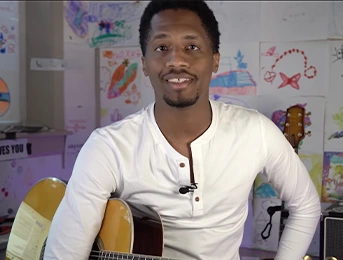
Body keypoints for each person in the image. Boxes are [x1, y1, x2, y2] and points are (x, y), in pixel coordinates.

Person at [43, 0, 321, 259]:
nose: (176, 61)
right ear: (144, 63)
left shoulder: (256, 131)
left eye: (191, 47)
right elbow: (64, 252)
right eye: (162, 48)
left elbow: (305, 206)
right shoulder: (107, 147)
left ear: (214, 60)